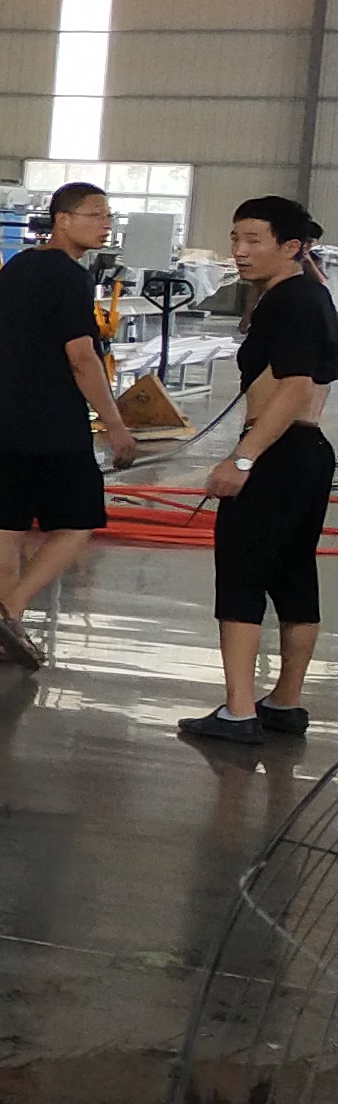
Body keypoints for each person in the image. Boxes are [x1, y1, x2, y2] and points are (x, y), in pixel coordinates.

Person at [182, 196, 338, 747]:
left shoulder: (290, 302)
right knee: (293, 574)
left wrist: (243, 458)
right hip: (308, 452)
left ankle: (239, 711)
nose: (240, 251)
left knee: (242, 576)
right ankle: (284, 702)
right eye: (235, 238)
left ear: (290, 247)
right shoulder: (312, 296)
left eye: (254, 240)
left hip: (276, 451)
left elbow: (294, 385)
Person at [0, 181, 137, 664]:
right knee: (78, 522)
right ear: (62, 220)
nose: (105, 225)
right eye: (95, 215)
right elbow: (82, 357)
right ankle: (10, 609)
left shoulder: (15, 267)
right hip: (53, 422)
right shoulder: (68, 276)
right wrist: (115, 424)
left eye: (108, 216)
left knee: (6, 525)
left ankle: (11, 635)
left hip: (8, 419)